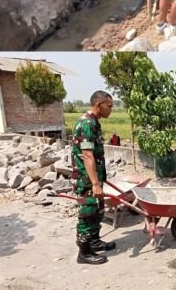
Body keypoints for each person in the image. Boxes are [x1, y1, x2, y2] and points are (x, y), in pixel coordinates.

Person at [71, 90, 115, 265]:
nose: (111, 110)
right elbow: (87, 155)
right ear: (99, 105)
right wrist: (95, 184)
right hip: (87, 179)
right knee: (88, 213)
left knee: (98, 211)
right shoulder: (86, 125)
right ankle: (84, 253)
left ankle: (94, 242)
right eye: (109, 106)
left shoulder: (95, 122)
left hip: (94, 177)